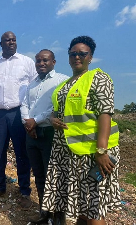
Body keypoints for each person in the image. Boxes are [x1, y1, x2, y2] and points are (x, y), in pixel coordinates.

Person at [42, 36, 121, 225]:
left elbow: (105, 114)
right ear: (68, 57)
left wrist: (101, 151)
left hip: (92, 153)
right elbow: (55, 112)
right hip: (68, 154)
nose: (77, 57)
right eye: (73, 54)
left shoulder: (98, 78)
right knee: (81, 206)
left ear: (90, 57)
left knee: (95, 209)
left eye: (82, 54)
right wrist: (52, 119)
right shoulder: (63, 86)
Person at [0, 31, 37, 209]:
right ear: (1, 44)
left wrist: (29, 114)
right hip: (0, 114)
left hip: (19, 113)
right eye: (7, 40)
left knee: (21, 153)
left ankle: (24, 191)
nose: (11, 42)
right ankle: (0, 187)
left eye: (14, 40)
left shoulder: (26, 62)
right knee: (0, 152)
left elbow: (33, 87)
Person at [20, 49, 69, 224]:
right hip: (31, 135)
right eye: (38, 60)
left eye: (45, 60)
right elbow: (24, 105)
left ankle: (58, 218)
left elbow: (57, 108)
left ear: (53, 62)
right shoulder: (31, 84)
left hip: (50, 134)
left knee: (54, 177)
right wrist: (28, 123)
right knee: (39, 175)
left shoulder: (61, 81)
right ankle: (44, 213)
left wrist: (36, 121)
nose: (41, 63)